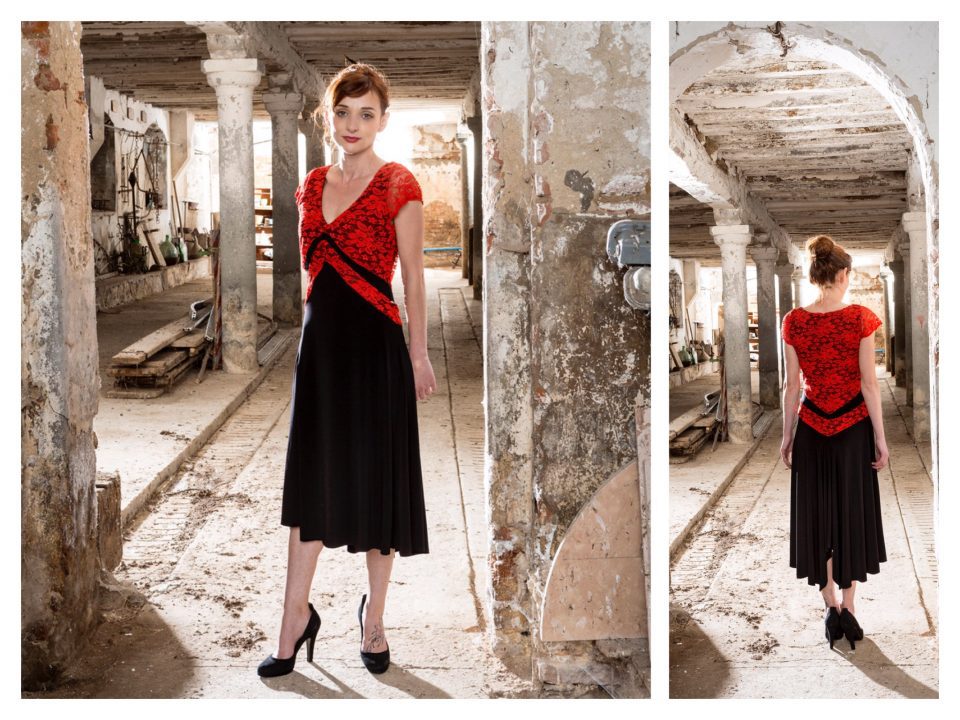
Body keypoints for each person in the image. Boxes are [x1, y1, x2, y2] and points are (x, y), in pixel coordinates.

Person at [258, 63, 436, 678]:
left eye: (366, 113)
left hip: (377, 352)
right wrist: (310, 340)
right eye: (343, 111)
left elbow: (413, 277)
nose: (353, 124)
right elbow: (312, 275)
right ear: (327, 116)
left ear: (383, 120)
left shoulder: (397, 185)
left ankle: (375, 618)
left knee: (376, 485)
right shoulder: (310, 185)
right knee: (312, 485)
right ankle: (293, 618)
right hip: (322, 354)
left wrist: (418, 354)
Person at [779, 234, 888, 651]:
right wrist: (880, 439)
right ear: (843, 275)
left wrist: (787, 437)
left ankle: (828, 604)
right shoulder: (860, 317)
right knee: (850, 513)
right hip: (852, 431)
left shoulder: (794, 321)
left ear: (814, 276)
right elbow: (869, 385)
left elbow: (792, 388)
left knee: (819, 515)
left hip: (812, 429)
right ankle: (849, 607)